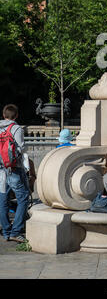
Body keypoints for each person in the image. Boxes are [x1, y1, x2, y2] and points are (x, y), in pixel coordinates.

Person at [0, 104, 30, 243]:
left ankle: (6, 231)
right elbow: (21, 148)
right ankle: (16, 231)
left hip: (0, 170)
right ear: (16, 115)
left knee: (3, 200)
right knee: (23, 198)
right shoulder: (16, 128)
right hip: (13, 169)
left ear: (3, 115)